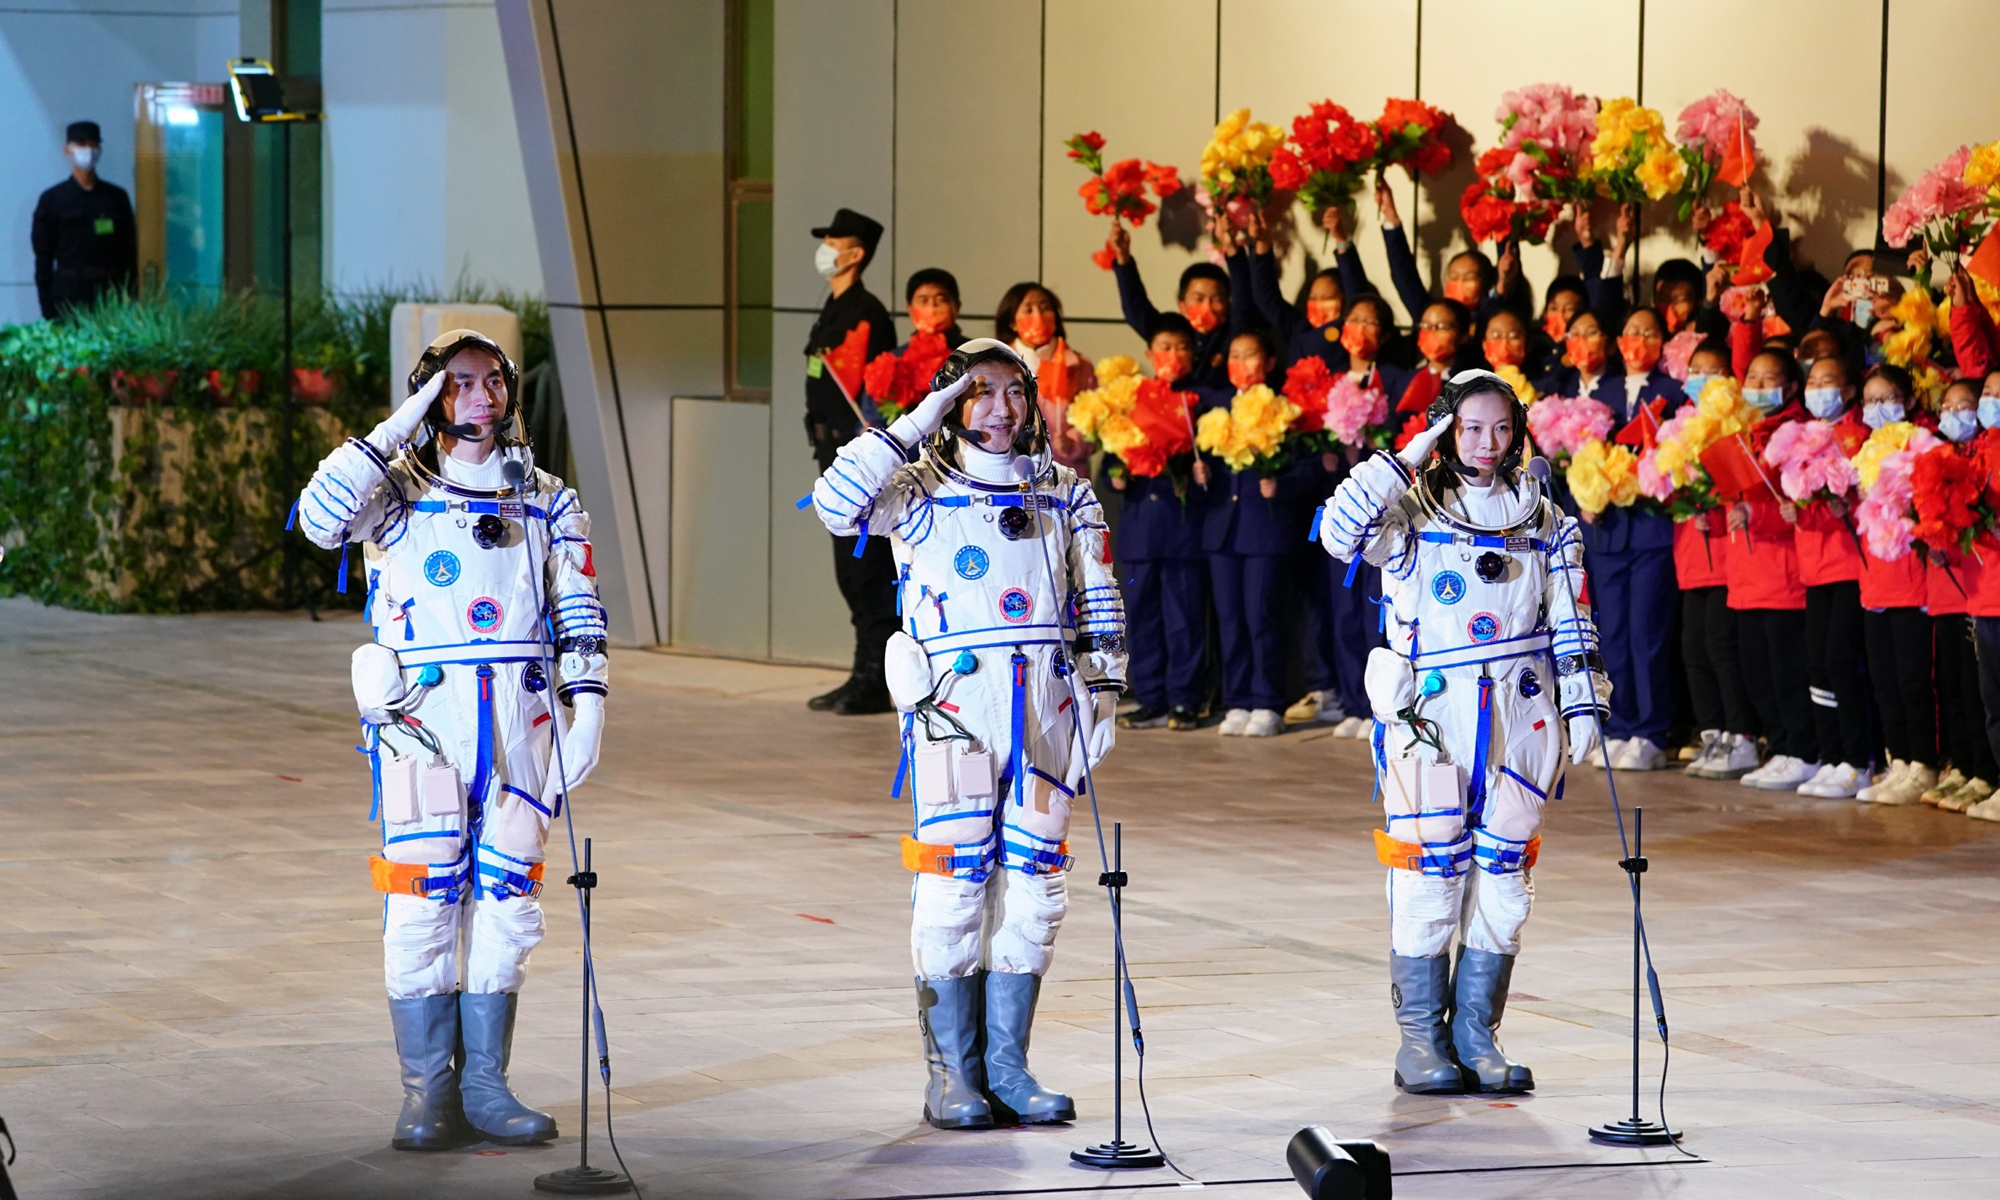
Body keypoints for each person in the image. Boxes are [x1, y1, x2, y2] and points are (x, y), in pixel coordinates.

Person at [295, 330, 609, 1150]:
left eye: (492, 381)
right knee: (422, 899)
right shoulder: (393, 494)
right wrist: (403, 422)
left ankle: (486, 1084)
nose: (482, 396)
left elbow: (576, 607)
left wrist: (591, 705)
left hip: (521, 722)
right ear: (430, 394)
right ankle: (427, 1091)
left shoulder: (545, 497)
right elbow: (320, 519)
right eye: (459, 383)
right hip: (423, 730)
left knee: (508, 902)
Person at [810, 339, 1125, 1129]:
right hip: (955, 715)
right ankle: (951, 1075)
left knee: (1037, 893)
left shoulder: (1065, 491)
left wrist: (1105, 691)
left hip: (1047, 713)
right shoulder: (915, 490)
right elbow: (833, 502)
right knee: (953, 890)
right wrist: (917, 418)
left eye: (1015, 391)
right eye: (980, 392)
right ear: (951, 402)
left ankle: (1009, 1068)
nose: (1002, 408)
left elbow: (1099, 592)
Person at [1318, 369, 1606, 1096]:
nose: (1487, 443)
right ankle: (1421, 1039)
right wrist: (1404, 459)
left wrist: (1583, 704)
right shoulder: (1410, 513)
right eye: (1470, 428)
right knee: (1428, 877)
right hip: (1432, 718)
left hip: (1522, 714)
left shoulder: (1545, 519)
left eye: (1500, 428)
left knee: (1505, 881)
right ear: (1446, 430)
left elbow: (1571, 618)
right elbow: (1336, 531)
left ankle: (1479, 1034)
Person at [803, 208, 899, 715]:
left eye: (833, 240)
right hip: (831, 456)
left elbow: (875, 396)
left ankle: (876, 679)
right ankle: (862, 670)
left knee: (868, 572)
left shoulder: (868, 313)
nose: (826, 248)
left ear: (855, 253)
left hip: (858, 459)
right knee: (850, 572)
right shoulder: (836, 307)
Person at [1200, 328, 1313, 738]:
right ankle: (1237, 699)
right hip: (1222, 530)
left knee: (1262, 615)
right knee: (1230, 620)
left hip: (1265, 528)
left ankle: (1267, 701)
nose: (1241, 364)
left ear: (1267, 362)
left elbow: (1308, 469)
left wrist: (1280, 486)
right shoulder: (1215, 406)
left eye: (1250, 355)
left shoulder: (1284, 409)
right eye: (1234, 355)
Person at [1112, 314, 1209, 732]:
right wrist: (1114, 473)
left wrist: (1204, 472)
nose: (1172, 355)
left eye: (1181, 347)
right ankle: (1149, 695)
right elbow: (1111, 455)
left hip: (1183, 527)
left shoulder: (1202, 401)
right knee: (1141, 614)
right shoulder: (1130, 399)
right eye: (1164, 348)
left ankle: (1186, 698)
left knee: (1184, 615)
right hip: (1138, 526)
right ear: (1150, 354)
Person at [1853, 364, 1938, 804]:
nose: (1877, 408)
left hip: (1914, 585)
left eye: (1887, 399)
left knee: (1913, 681)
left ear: (1907, 401)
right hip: (1875, 585)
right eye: (1869, 400)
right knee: (1885, 682)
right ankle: (1899, 760)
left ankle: (1925, 764)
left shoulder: (1925, 447)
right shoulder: (1864, 450)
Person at [1677, 342, 1762, 780]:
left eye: (1713, 371)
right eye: (1696, 370)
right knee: (1694, 647)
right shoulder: (1680, 427)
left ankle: (1741, 734)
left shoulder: (1739, 425)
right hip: (1691, 555)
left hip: (1728, 556)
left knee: (1721, 645)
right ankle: (1712, 732)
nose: (1703, 379)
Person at [1108, 221, 1237, 388]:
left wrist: (1232, 249)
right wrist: (1123, 258)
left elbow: (1244, 299)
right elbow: (1135, 309)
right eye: (1198, 299)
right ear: (1182, 305)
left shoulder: (1234, 333)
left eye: (1216, 299)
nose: (1208, 306)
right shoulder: (1171, 331)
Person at [32, 120, 136, 320]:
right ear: (67, 150)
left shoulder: (116, 197)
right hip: (69, 293)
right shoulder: (53, 199)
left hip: (109, 293)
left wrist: (130, 296)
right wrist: (48, 308)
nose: (88, 150)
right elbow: (43, 258)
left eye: (93, 144)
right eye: (81, 144)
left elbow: (129, 253)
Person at [995, 281, 1095, 476]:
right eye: (1028, 310)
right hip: (1009, 473)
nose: (1038, 317)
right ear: (1012, 322)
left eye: (1045, 308)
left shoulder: (1080, 366)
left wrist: (1073, 441)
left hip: (1065, 473)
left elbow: (1096, 422)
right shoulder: (995, 364)